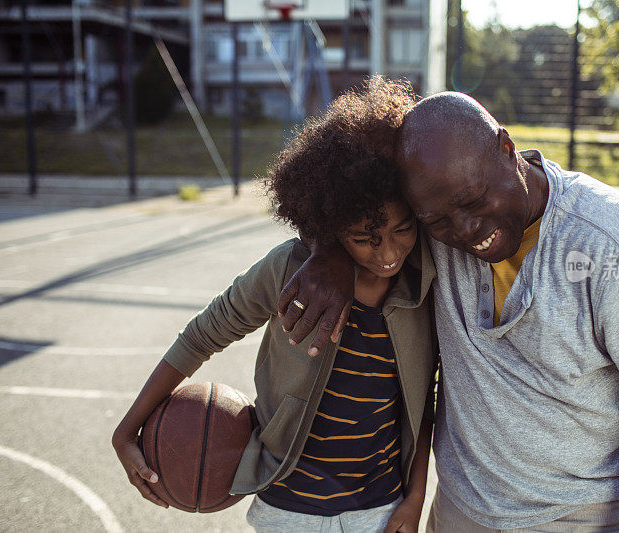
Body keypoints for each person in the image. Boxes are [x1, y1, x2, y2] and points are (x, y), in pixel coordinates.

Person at [277, 88, 619, 532]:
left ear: (506, 148)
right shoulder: (431, 226)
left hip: (588, 514)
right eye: (436, 219)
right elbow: (347, 199)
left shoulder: (608, 240)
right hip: (463, 507)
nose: (466, 230)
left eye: (473, 201)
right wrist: (328, 249)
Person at [112, 77, 438, 533]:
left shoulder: (426, 283)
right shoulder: (289, 272)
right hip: (286, 509)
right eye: (365, 238)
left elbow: (425, 402)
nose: (387, 253)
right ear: (330, 224)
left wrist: (416, 495)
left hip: (380, 510)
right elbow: (204, 334)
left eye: (401, 230)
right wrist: (128, 429)